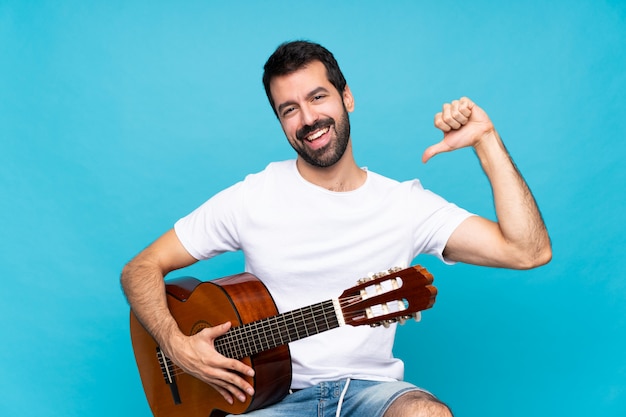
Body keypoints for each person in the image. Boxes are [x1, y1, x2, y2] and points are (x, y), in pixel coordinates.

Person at [121, 40, 551, 417]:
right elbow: (139, 269)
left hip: (372, 393)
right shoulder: (253, 196)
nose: (308, 118)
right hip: (268, 401)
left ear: (347, 97)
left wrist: (486, 140)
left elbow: (527, 251)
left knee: (426, 414)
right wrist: (177, 345)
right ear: (281, 121)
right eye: (290, 109)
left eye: (318, 97)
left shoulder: (403, 204)